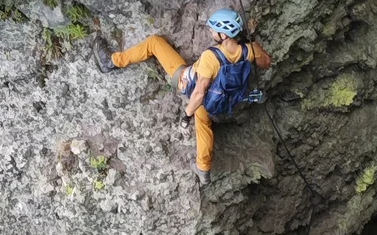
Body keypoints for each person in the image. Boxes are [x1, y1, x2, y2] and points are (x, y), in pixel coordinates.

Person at [109, 9, 271, 184]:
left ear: (223, 35)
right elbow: (266, 62)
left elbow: (199, 92)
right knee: (204, 124)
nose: (210, 32)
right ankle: (203, 170)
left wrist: (186, 115)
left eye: (213, 30)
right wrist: (251, 44)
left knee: (154, 43)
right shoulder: (249, 51)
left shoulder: (211, 57)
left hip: (191, 86)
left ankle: (112, 61)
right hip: (225, 99)